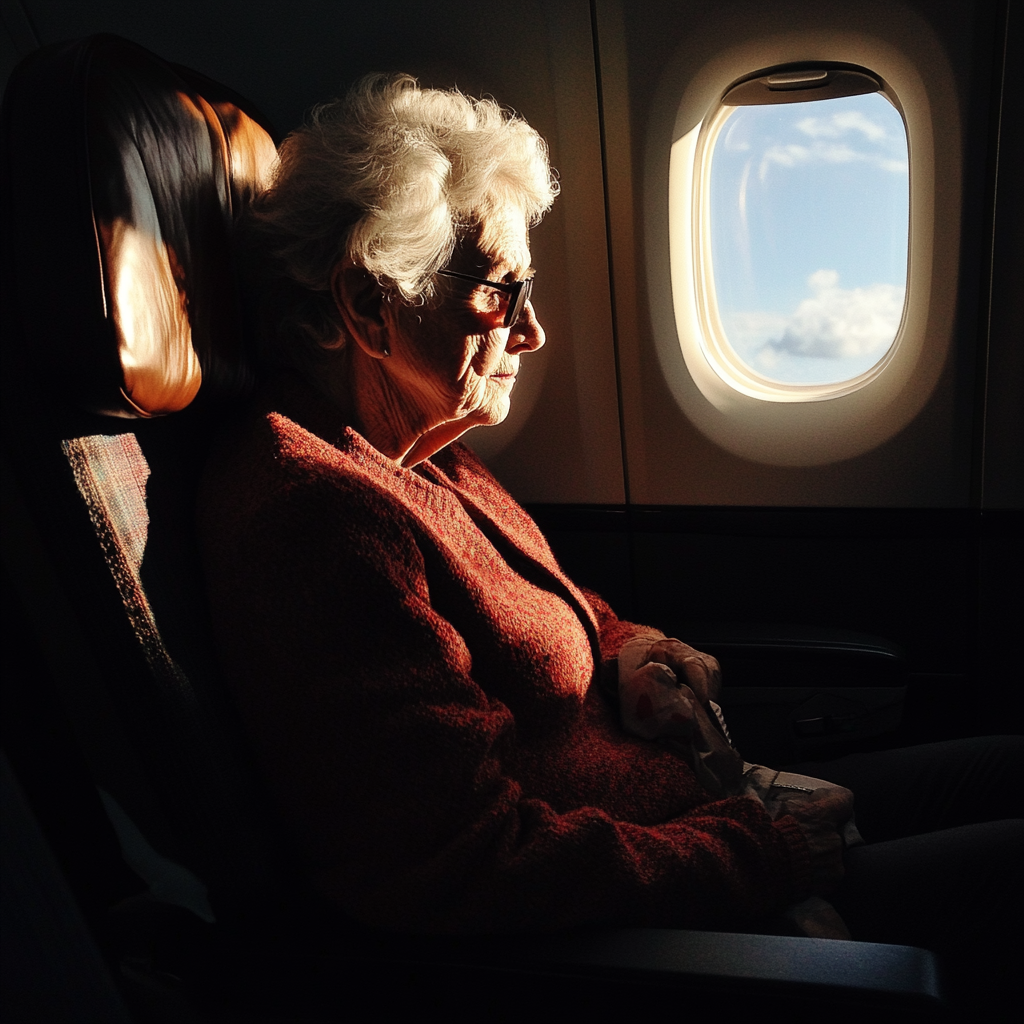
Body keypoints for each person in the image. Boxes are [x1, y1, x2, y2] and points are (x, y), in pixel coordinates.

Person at [198, 74, 1021, 1013]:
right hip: (656, 912)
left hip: (692, 815)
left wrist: (635, 650)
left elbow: (568, 612)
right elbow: (457, 868)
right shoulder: (315, 520)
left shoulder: (425, 458)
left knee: (1003, 762)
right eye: (502, 291)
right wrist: (764, 849)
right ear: (367, 302)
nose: (535, 331)